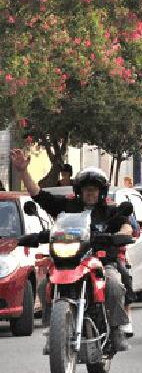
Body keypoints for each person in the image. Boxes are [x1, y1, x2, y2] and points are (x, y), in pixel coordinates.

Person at [10, 149, 132, 352]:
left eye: (93, 189)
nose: (90, 193)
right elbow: (38, 194)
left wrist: (121, 234)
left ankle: (117, 328)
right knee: (45, 285)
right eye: (86, 190)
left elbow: (125, 225)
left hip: (100, 261)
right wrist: (23, 171)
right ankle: (52, 331)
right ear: (79, 191)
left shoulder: (110, 211)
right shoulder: (67, 207)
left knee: (114, 284)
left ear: (101, 192)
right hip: (71, 260)